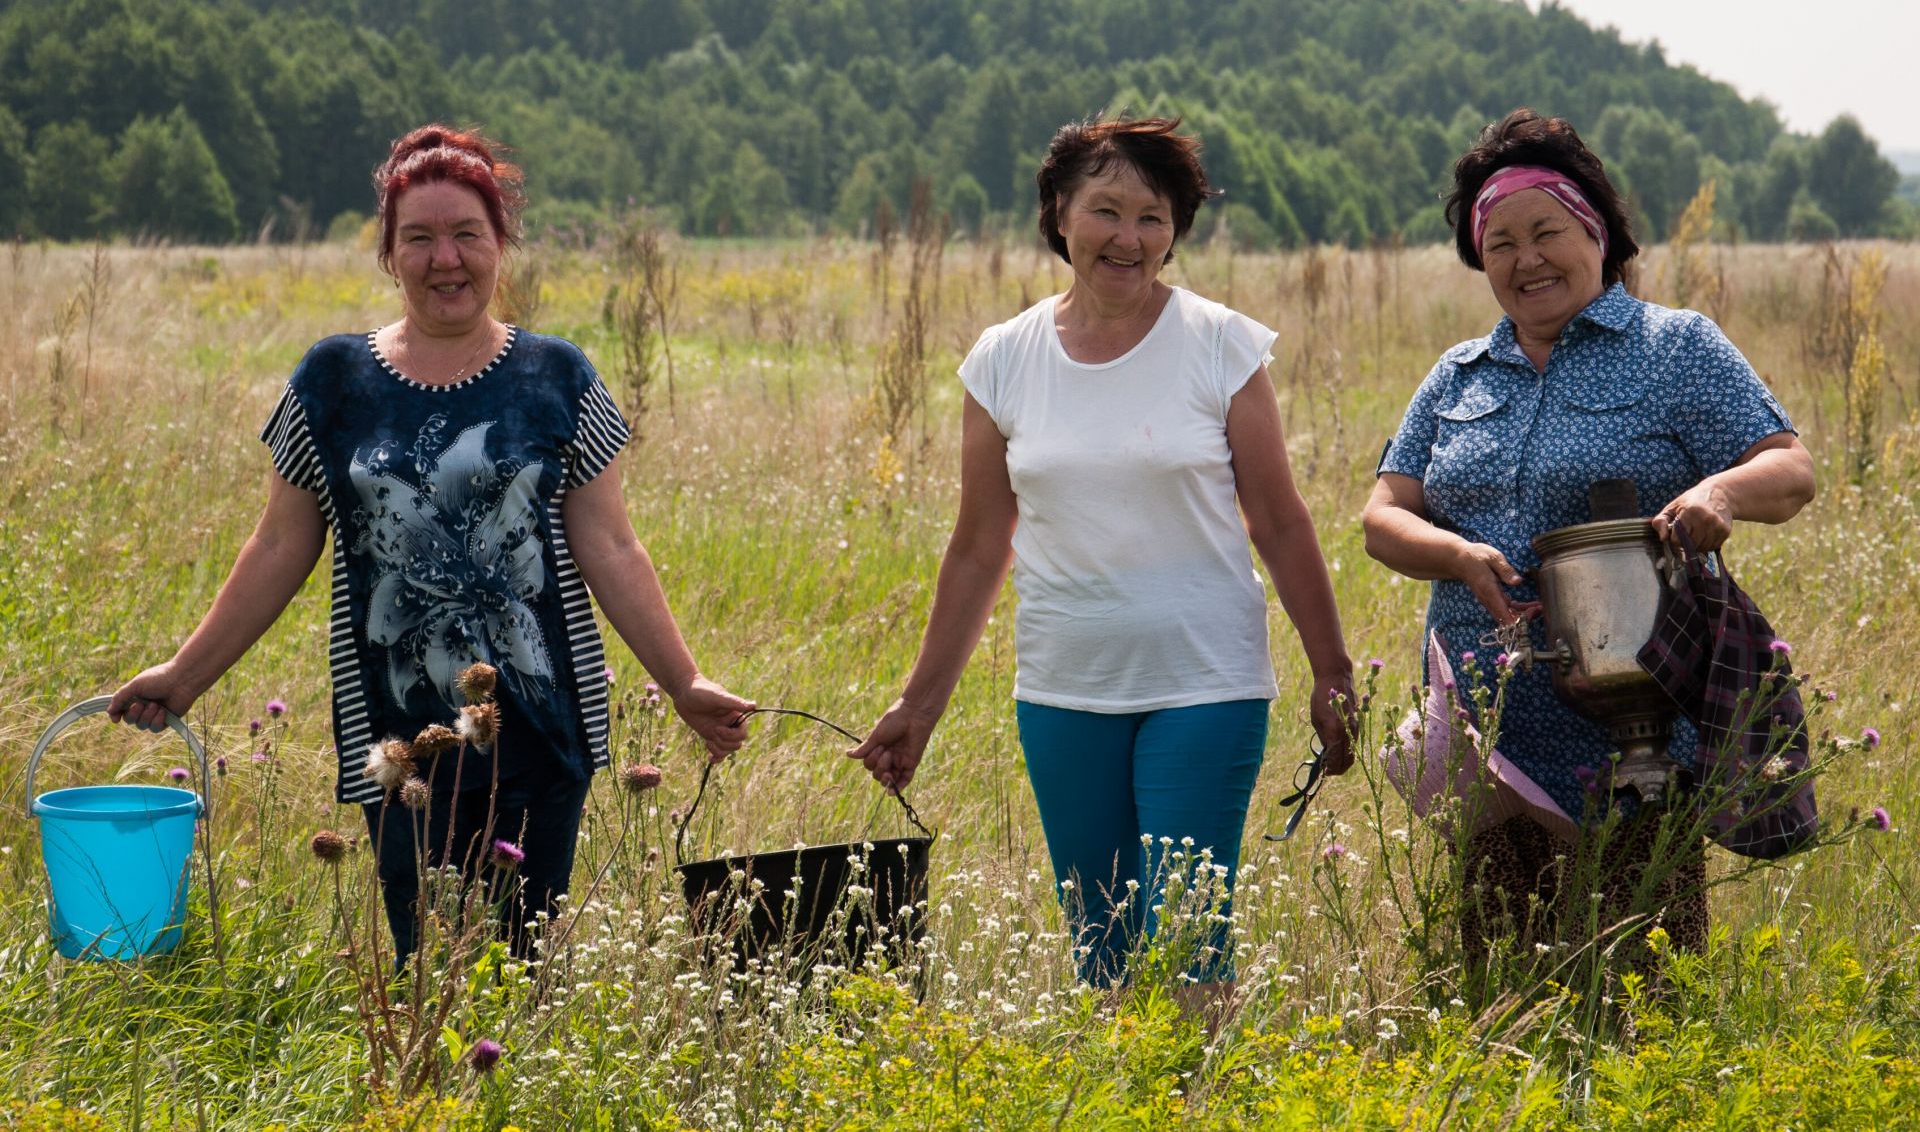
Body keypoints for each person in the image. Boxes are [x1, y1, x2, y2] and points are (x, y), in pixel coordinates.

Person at [109, 125, 753, 961]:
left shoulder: (559, 377)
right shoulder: (331, 381)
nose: (444, 258)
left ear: (500, 245)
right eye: (419, 238)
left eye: (466, 235)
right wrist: (183, 677)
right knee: (428, 969)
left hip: (541, 735)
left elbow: (614, 549)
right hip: (399, 747)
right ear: (388, 252)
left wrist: (686, 679)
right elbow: (277, 547)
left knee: (521, 975)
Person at [851, 116, 1356, 993]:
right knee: (1103, 949)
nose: (1129, 238)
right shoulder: (1003, 360)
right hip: (1064, 690)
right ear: (1058, 213)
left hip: (1205, 682)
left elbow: (1279, 521)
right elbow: (977, 549)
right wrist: (918, 708)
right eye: (1106, 211)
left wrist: (1331, 669)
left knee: (1189, 946)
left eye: (1153, 217)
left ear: (1177, 230)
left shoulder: (1221, 345)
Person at [1362, 108, 1816, 962]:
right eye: (1499, 243)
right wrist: (1457, 555)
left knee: (1648, 990)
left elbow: (1791, 470)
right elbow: (1381, 517)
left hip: (1637, 729)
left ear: (1595, 231)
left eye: (1546, 232)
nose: (1526, 259)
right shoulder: (1458, 375)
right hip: (1493, 737)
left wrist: (1720, 490)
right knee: (1502, 983)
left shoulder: (1674, 348)